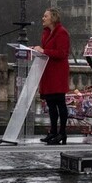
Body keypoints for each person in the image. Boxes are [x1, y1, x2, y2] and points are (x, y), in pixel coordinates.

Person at [33, 8, 71, 145]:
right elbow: (47, 51)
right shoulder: (47, 33)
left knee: (59, 103)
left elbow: (62, 53)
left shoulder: (61, 33)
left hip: (57, 73)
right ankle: (53, 131)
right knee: (50, 104)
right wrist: (37, 50)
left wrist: (44, 51)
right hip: (48, 72)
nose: (43, 18)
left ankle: (62, 132)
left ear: (53, 18)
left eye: (45, 16)